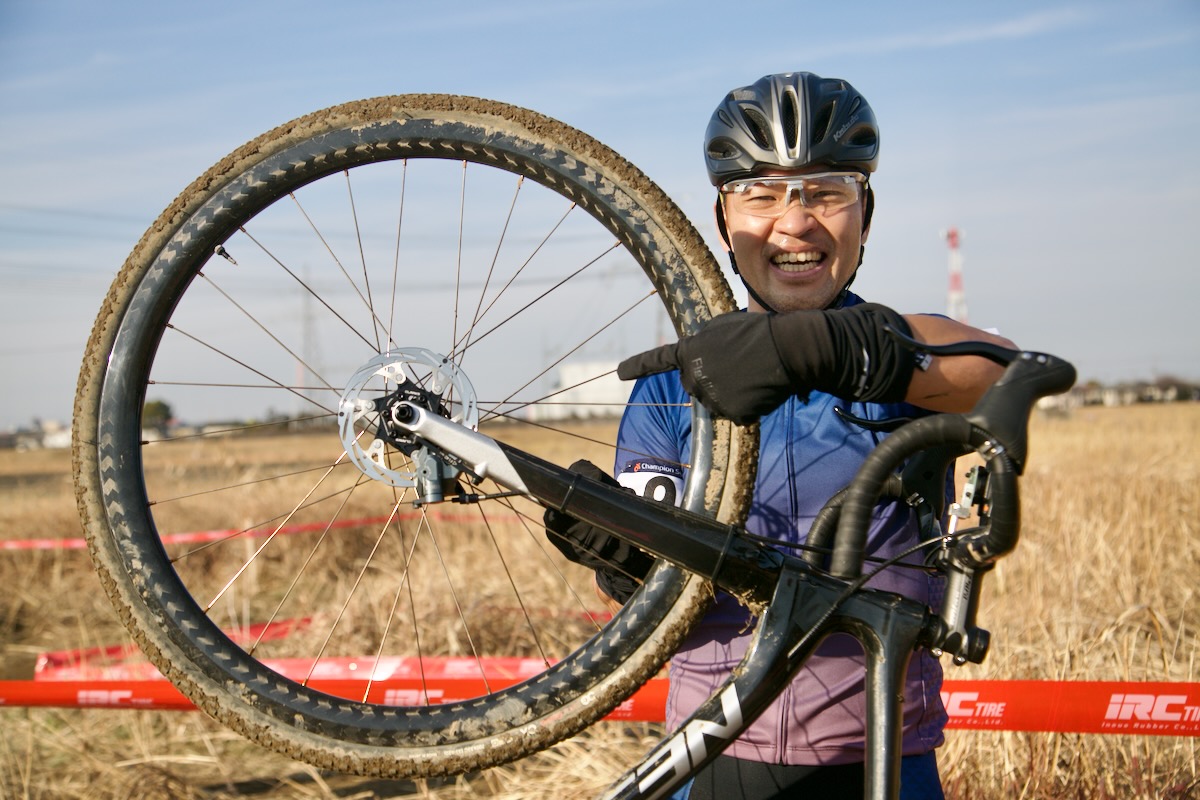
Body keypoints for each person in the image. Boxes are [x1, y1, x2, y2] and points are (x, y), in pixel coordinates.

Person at [547, 72, 1015, 799]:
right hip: (708, 757)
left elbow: (1006, 372)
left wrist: (822, 349)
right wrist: (629, 560)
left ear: (867, 210)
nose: (794, 225)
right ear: (721, 215)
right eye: (760, 194)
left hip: (884, 761)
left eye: (826, 191)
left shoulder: (902, 356)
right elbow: (668, 591)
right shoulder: (672, 384)